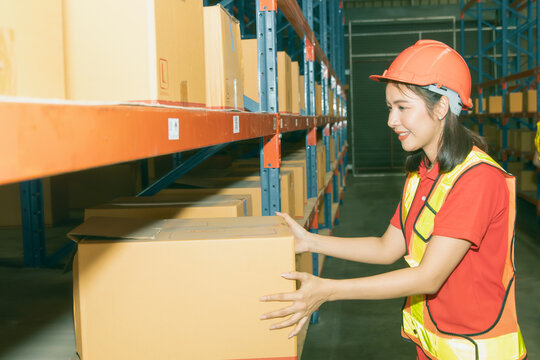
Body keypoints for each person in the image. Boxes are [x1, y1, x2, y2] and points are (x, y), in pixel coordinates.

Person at [260, 40, 527, 360]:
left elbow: (429, 276)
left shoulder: (478, 180)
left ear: (441, 107)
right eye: (390, 108)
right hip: (433, 348)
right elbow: (387, 247)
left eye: (403, 107)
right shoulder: (423, 173)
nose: (391, 121)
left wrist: (328, 290)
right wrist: (310, 241)